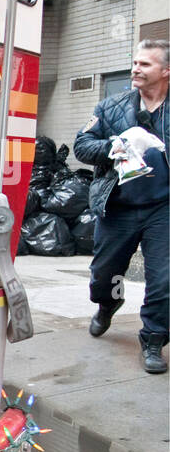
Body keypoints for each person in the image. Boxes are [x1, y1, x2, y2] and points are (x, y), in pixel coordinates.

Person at [74, 39, 169, 374]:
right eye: (135, 63)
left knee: (164, 278)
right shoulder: (110, 107)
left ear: (165, 72)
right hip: (119, 206)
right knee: (106, 273)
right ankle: (108, 302)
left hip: (163, 209)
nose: (135, 69)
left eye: (145, 64)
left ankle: (154, 339)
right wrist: (114, 145)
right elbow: (82, 146)